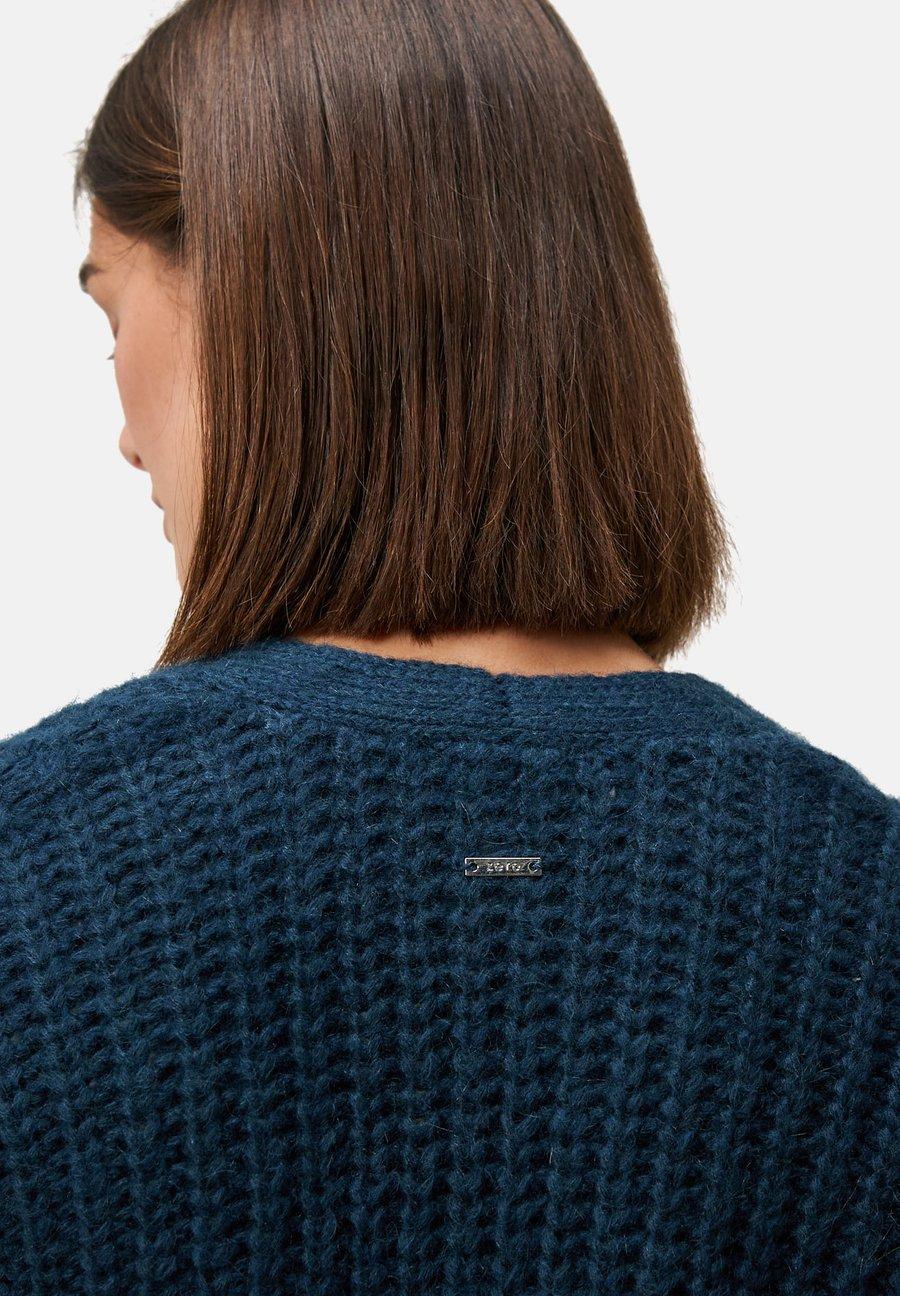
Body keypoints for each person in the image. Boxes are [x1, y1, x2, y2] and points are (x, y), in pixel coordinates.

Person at [1, 0, 896, 1292]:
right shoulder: (866, 910)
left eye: (110, 320)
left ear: (250, 303)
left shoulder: (35, 877)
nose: (127, 439)